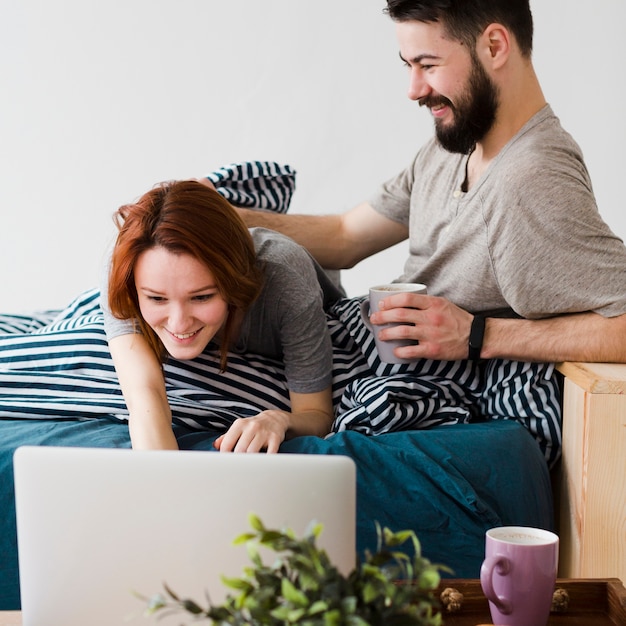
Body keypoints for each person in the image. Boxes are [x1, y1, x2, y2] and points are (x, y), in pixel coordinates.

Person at [234, 0, 626, 365]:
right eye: (408, 65)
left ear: (494, 46)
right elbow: (345, 237)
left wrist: (477, 334)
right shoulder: (457, 142)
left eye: (428, 65)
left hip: (413, 386)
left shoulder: (531, 178)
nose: (413, 89)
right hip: (360, 351)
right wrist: (227, 217)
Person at [102, 179, 342, 452]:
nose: (179, 323)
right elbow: (146, 398)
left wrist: (278, 419)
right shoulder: (123, 269)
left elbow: (317, 414)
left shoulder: (285, 278)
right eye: (157, 298)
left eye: (202, 297)